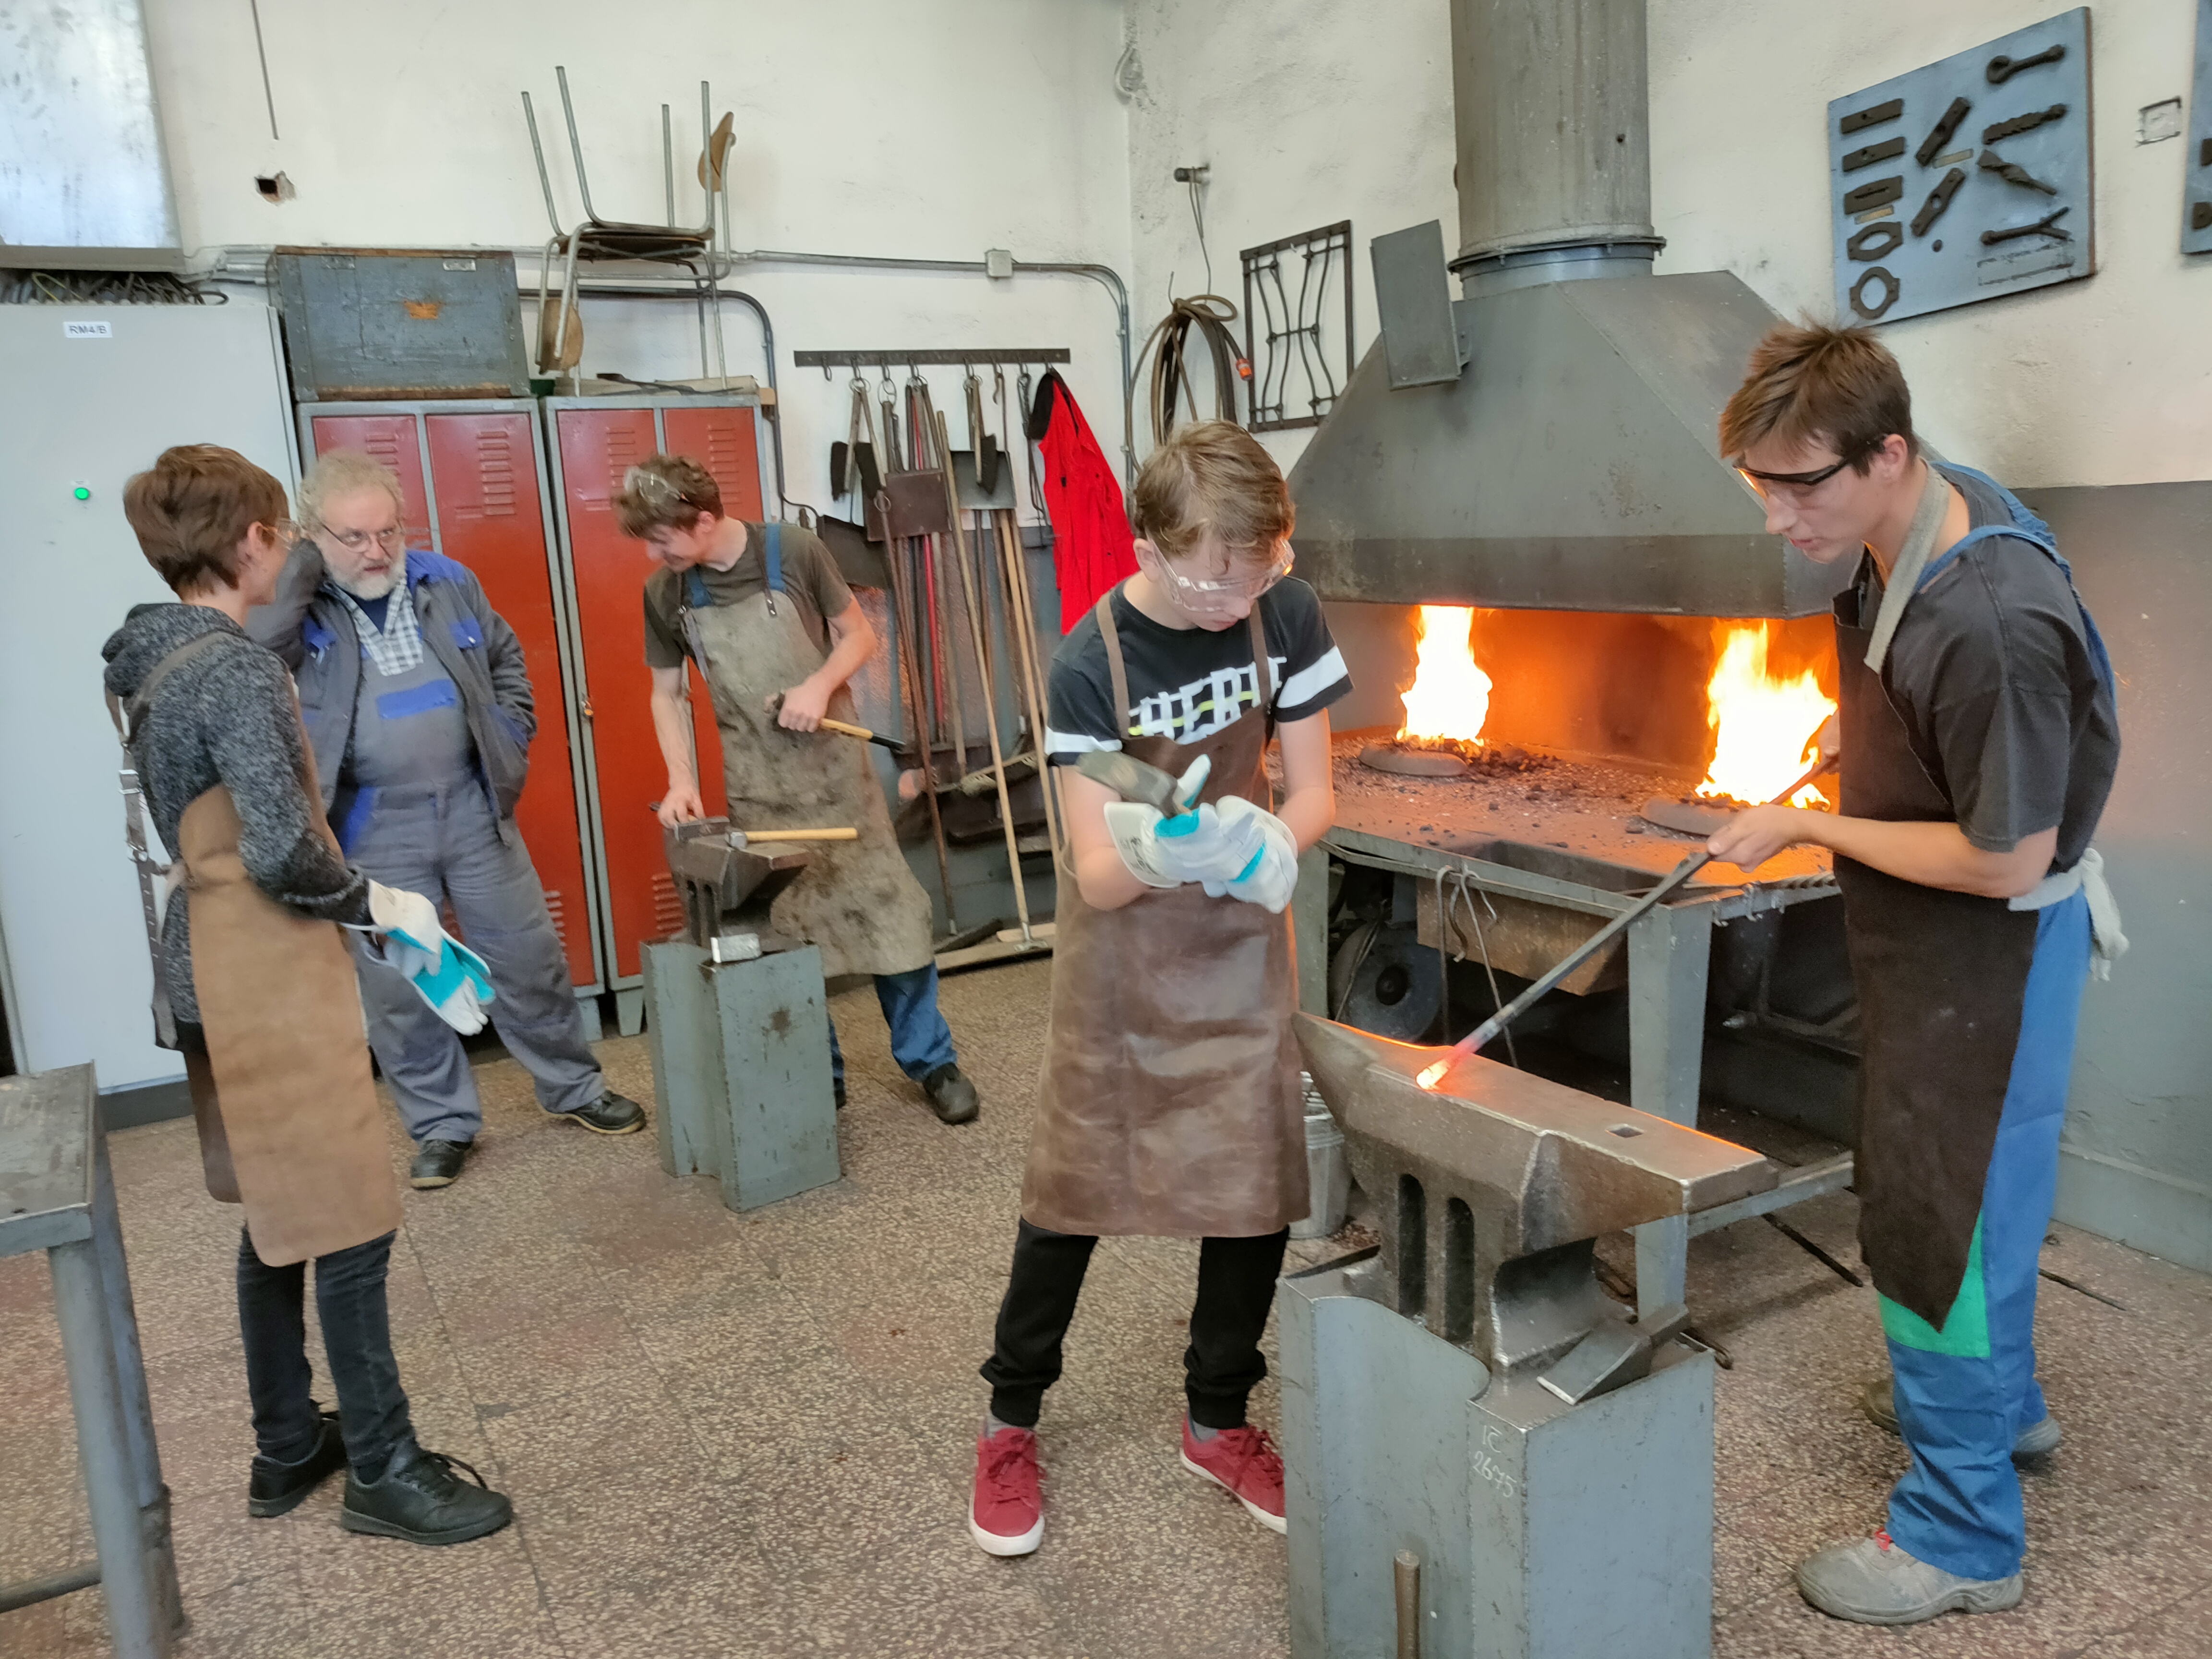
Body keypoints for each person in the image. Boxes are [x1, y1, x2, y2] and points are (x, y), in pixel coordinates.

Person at [1707, 324, 2121, 1625]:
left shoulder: (1990, 618)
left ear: (1886, 453)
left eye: (1800, 488)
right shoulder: (1932, 510)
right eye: (1761, 486)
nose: (1779, 517)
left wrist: (1808, 825)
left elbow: (2007, 857)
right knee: (1987, 1203)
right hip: (1951, 952)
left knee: (1939, 1222)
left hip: (1986, 956)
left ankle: (1961, 1533)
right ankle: (2006, 1411)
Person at [103, 445, 512, 1543]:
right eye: (280, 531)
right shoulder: (233, 669)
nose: (285, 549)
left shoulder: (145, 656)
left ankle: (287, 1444)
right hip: (264, 973)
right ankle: (384, 1466)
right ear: (251, 542)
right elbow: (283, 849)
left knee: (280, 1216)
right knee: (348, 1221)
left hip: (204, 964)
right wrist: (379, 901)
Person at [966, 420, 1352, 1557]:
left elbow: (1315, 790)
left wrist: (1269, 844)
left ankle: (1218, 1420)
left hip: (1239, 949)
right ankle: (1009, 1421)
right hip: (1123, 961)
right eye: (1210, 578)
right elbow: (1096, 868)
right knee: (1072, 1190)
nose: (1235, 599)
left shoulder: (1287, 611)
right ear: (1151, 548)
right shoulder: (1091, 662)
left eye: (1256, 571)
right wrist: (1169, 848)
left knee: (1254, 1192)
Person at [250, 451, 644, 1190]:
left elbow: (506, 659)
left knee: (529, 959)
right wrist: (301, 568)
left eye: (388, 532)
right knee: (404, 987)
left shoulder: (447, 581)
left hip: (471, 806)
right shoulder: (298, 604)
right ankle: (442, 1126)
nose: (377, 551)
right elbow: (258, 655)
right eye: (353, 537)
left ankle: (575, 1087)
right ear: (314, 536)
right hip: (373, 824)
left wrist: (511, 731)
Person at [618, 456, 982, 1125]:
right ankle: (822, 1075)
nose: (653, 553)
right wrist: (681, 779)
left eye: (662, 538)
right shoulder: (667, 593)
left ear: (702, 520)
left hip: (838, 779)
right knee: (790, 934)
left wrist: (817, 687)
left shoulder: (793, 551)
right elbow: (666, 695)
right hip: (760, 791)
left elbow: (859, 636)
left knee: (890, 915)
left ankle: (932, 1061)